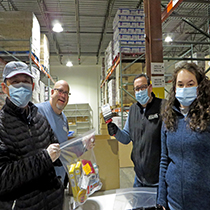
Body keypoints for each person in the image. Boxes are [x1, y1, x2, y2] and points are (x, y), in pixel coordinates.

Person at [0, 61, 64, 209]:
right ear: (5, 88)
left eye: (26, 82)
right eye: (16, 82)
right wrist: (44, 158)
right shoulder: (2, 125)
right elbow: (2, 179)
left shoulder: (40, 118)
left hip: (53, 203)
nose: (22, 86)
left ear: (33, 86)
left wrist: (78, 148)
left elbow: (56, 153)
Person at [157, 62, 210, 210]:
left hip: (203, 203)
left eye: (190, 84)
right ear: (174, 88)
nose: (185, 89)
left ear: (199, 86)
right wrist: (161, 199)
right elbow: (164, 160)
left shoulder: (207, 116)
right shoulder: (169, 118)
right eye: (180, 85)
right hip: (173, 202)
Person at [107, 73, 163, 187]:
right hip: (139, 178)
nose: (140, 91)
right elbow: (126, 137)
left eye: (143, 87)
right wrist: (115, 132)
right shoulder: (133, 110)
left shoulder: (162, 107)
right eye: (137, 88)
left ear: (150, 88)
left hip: (158, 181)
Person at [36, 80, 95, 186]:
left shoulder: (64, 119)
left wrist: (83, 144)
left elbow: (64, 148)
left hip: (60, 179)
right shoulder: (38, 111)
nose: (63, 95)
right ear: (52, 92)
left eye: (66, 93)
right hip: (43, 181)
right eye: (60, 91)